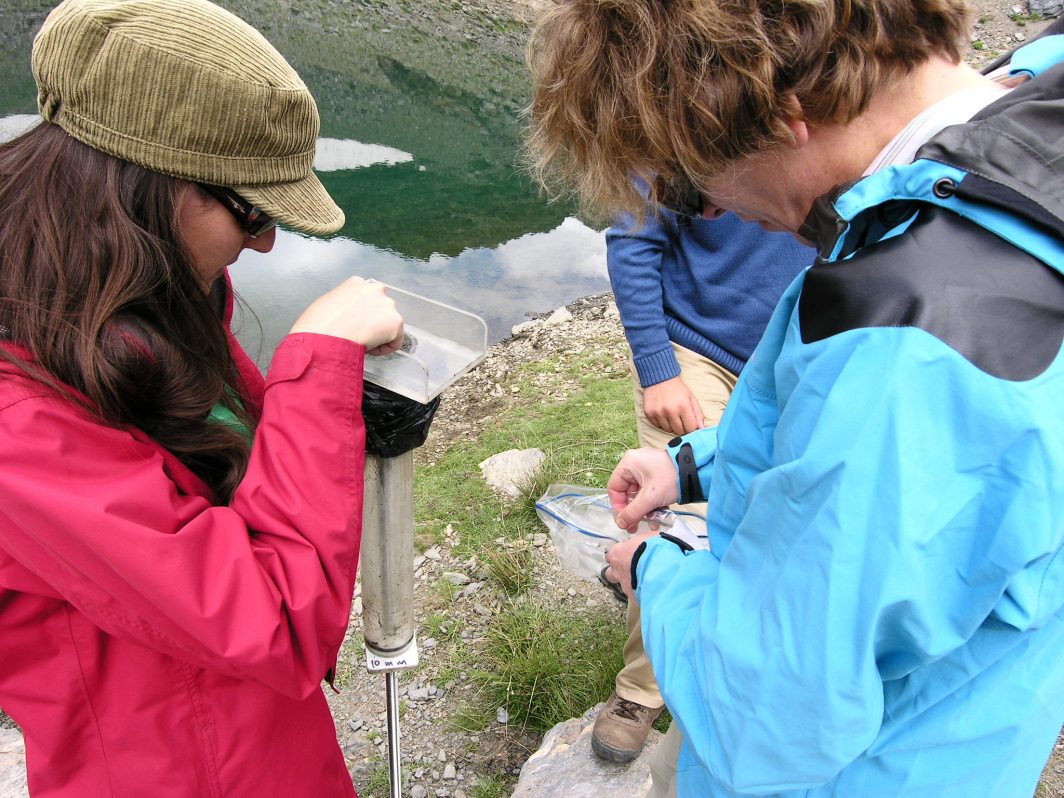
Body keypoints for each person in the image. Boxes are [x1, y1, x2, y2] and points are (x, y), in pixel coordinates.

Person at [526, 2, 1064, 797]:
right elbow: (881, 457)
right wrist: (696, 466)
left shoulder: (903, 336)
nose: (711, 212)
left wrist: (654, 569)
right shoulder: (1018, 135)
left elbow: (765, 717)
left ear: (777, 113)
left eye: (687, 183)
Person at [0, 0, 404, 795]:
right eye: (252, 210)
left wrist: (335, 413)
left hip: (262, 749)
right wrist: (313, 372)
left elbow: (240, 494)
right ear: (141, 187)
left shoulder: (129, 308)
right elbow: (277, 619)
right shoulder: (18, 430)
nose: (267, 241)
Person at [593, 208, 812, 763]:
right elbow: (632, 236)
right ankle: (640, 691)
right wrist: (657, 367)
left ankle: (733, 666)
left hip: (798, 358)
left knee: (777, 520)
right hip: (699, 350)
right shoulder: (685, 150)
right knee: (685, 523)